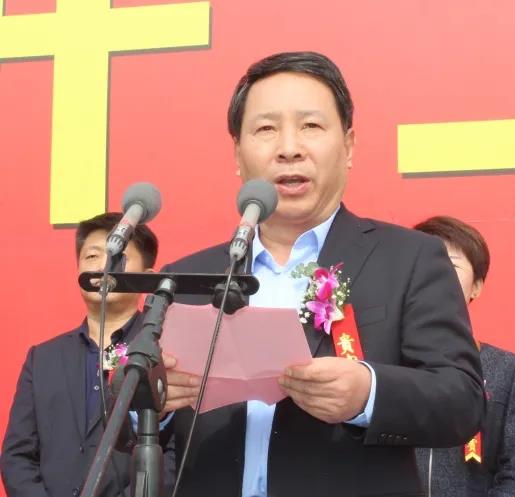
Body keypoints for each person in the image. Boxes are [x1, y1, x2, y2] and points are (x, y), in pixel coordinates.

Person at [161, 51, 485, 497]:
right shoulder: (185, 278)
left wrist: (369, 394)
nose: (289, 148)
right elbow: (129, 428)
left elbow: (462, 400)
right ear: (237, 153)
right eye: (266, 129)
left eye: (310, 126)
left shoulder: (410, 259)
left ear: (348, 146)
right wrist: (154, 401)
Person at [1, 213, 159, 497]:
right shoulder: (43, 359)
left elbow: (174, 454)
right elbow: (17, 457)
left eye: (118, 256)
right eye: (92, 256)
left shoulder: (163, 355)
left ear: (147, 278)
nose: (102, 266)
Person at [414, 216, 515, 497]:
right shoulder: (381, 363)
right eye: (425, 263)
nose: (436, 274)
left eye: (451, 264)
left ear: (477, 286)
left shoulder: (507, 370)